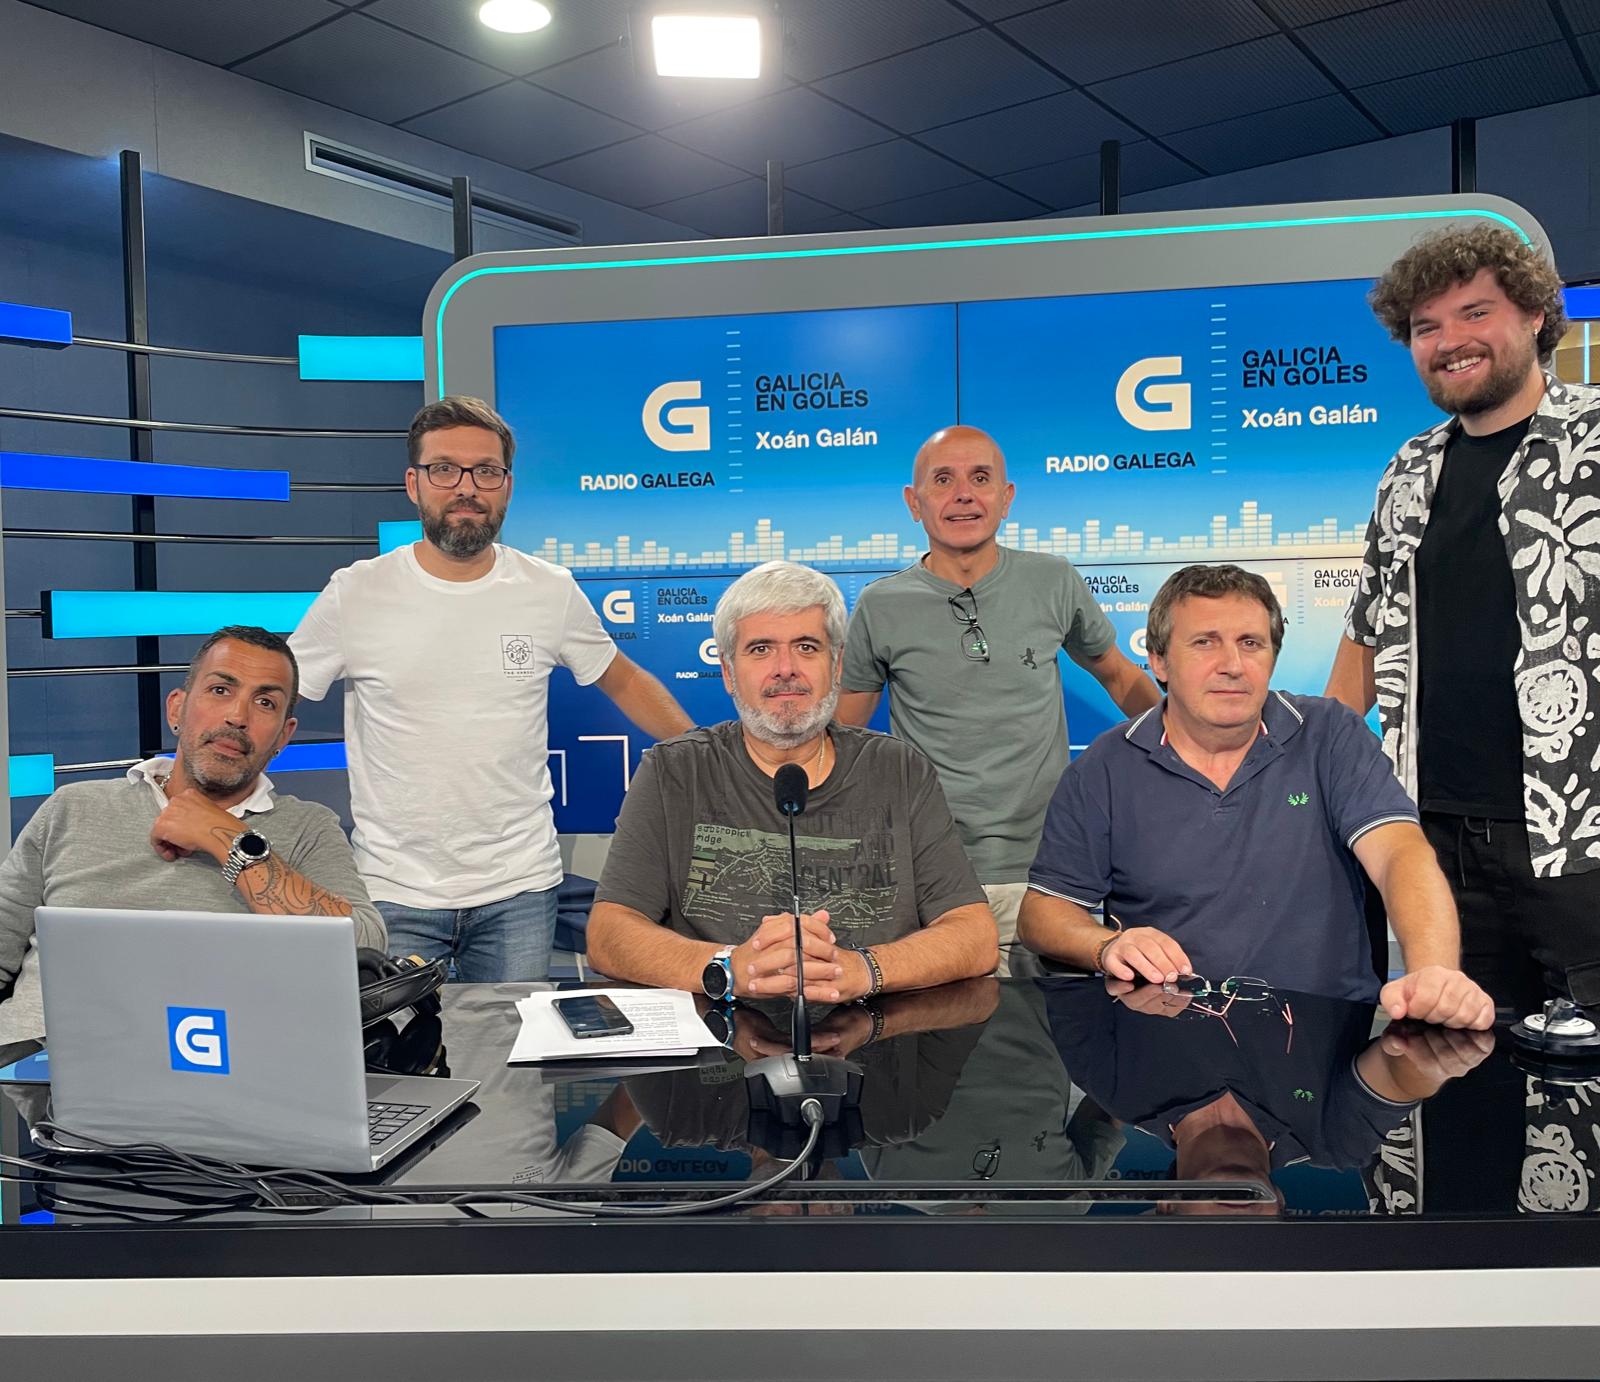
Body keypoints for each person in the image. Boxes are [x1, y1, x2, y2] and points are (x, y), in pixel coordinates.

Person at [290, 396, 692, 983]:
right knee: (404, 1047)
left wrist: (711, 758)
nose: (466, 487)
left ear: (507, 486)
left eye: (486, 471)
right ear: (413, 483)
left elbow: (624, 678)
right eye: (444, 469)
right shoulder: (356, 593)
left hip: (520, 893)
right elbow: (279, 693)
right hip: (393, 893)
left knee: (514, 1045)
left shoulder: (548, 589)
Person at [1017, 564, 1494, 1028]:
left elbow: (1399, 853)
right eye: (1205, 643)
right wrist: (1105, 946)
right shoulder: (1103, 768)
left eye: (1251, 643)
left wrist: (1435, 972)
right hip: (1166, 1042)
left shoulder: (1331, 734)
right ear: (1159, 661)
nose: (1232, 666)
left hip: (1327, 1043)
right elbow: (1042, 913)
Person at [1325, 224, 1600, 1012]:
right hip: (1432, 840)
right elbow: (1367, 632)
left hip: (1579, 838)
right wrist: (1308, 779)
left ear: (1536, 316)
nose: (1449, 342)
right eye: (1426, 327)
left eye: (1475, 313)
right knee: (1462, 1059)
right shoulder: (1408, 469)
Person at [587, 560, 999, 1001]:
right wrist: (729, 966)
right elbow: (609, 934)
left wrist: (864, 969)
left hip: (875, 1032)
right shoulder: (674, 771)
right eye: (761, 649)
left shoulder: (899, 769)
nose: (785, 668)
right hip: (723, 1036)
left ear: (836, 666)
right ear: (727, 672)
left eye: (806, 647)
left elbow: (974, 936)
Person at [837, 425, 1159, 972]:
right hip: (931, 878)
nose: (964, 494)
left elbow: (1120, 676)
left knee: (1048, 1028)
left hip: (1051, 877)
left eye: (980, 478)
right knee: (939, 1026)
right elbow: (844, 741)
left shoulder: (1053, 580)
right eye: (943, 480)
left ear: (1006, 498)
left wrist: (1185, 750)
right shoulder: (879, 604)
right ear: (914, 503)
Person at [0, 626, 385, 1046]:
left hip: (216, 1068)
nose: (237, 716)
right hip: (31, 1068)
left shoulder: (308, 828)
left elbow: (362, 951)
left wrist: (228, 838)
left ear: (283, 736)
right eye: (220, 690)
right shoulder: (73, 807)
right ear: (177, 709)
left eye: (265, 702)